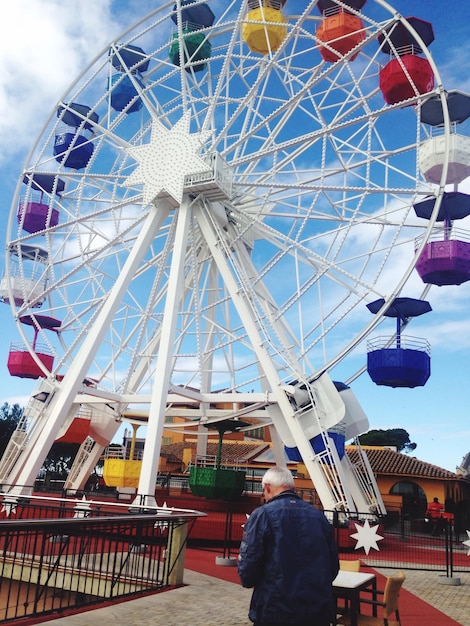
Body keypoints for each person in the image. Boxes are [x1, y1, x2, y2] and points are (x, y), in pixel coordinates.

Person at [238, 466, 339, 626]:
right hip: (316, 608)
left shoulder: (262, 514)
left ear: (267, 487)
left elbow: (249, 563)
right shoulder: (318, 517)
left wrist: (250, 581)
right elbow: (333, 565)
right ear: (293, 488)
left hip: (275, 608)